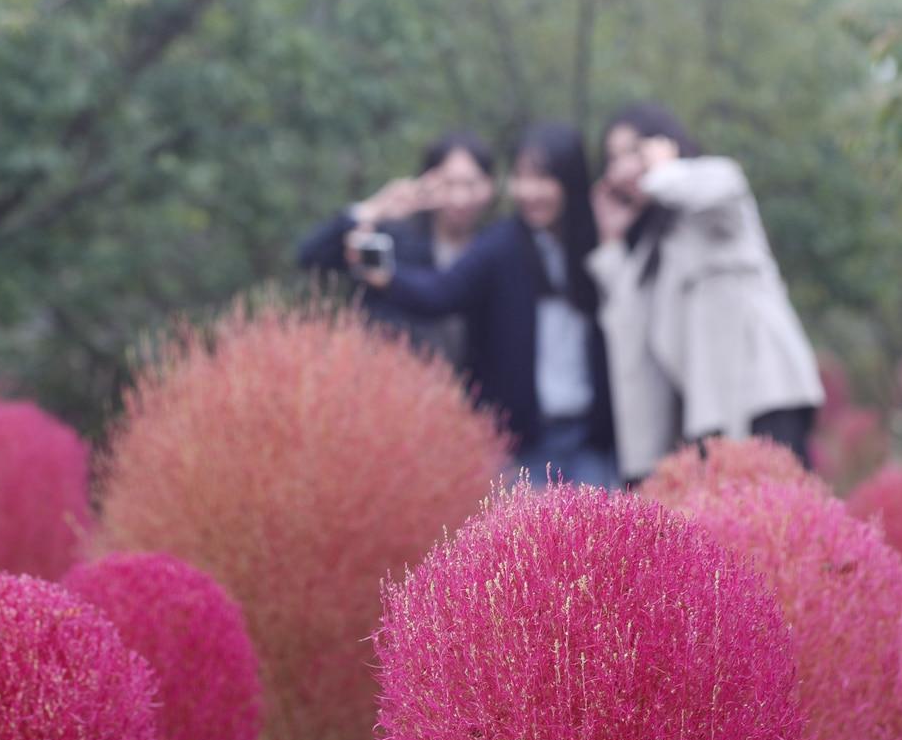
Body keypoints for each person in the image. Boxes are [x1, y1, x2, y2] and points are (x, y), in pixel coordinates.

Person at [355, 122, 617, 487]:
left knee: (606, 542)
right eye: (522, 177)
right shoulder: (502, 246)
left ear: (570, 181)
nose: (529, 192)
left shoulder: (594, 244)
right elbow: (441, 292)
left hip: (592, 440)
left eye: (543, 179)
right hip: (525, 442)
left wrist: (616, 238)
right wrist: (385, 276)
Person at [589, 102, 824, 483]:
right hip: (712, 411)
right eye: (613, 158)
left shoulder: (713, 198)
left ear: (664, 145)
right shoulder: (655, 242)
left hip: (766, 394)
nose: (622, 169)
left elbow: (720, 184)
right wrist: (613, 242)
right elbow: (629, 338)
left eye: (633, 151)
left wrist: (662, 170)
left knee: (783, 520)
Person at [296, 132, 496, 362]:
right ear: (427, 180)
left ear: (489, 185)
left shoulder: (496, 246)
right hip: (398, 376)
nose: (460, 197)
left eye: (471, 184)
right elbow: (311, 256)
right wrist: (374, 209)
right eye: (448, 183)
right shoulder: (396, 239)